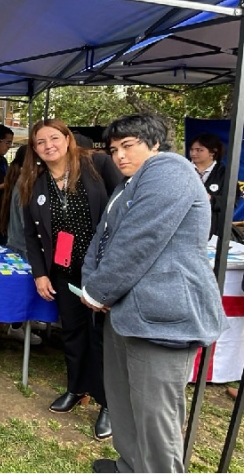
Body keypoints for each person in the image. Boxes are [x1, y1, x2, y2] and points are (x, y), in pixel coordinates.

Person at [81, 115, 227, 473]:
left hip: (163, 317)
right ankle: (130, 464)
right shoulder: (128, 185)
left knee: (155, 416)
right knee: (124, 400)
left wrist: (98, 291)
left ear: (155, 143)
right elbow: (103, 239)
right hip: (127, 312)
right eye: (114, 149)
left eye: (128, 146)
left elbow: (137, 242)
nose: (119, 156)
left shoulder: (170, 170)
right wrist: (90, 282)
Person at [19, 119, 123, 442]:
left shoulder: (98, 166)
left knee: (101, 337)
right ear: (34, 150)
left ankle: (108, 403)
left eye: (54, 138)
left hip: (101, 271)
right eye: (40, 142)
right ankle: (76, 388)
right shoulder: (35, 183)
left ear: (67, 140)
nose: (48, 145)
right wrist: (40, 272)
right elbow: (31, 236)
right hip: (64, 272)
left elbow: (124, 211)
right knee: (73, 332)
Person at [0, 145, 45, 345]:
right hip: (24, 245)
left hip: (17, 241)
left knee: (24, 288)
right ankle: (17, 326)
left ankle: (23, 322)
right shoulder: (25, 184)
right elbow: (28, 222)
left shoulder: (19, 180)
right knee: (25, 289)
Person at [188, 132, 239, 238]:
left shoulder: (225, 174)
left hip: (214, 229)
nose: (193, 153)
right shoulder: (183, 170)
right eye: (192, 149)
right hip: (186, 227)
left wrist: (210, 199)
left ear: (213, 152)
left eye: (199, 150)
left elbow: (231, 202)